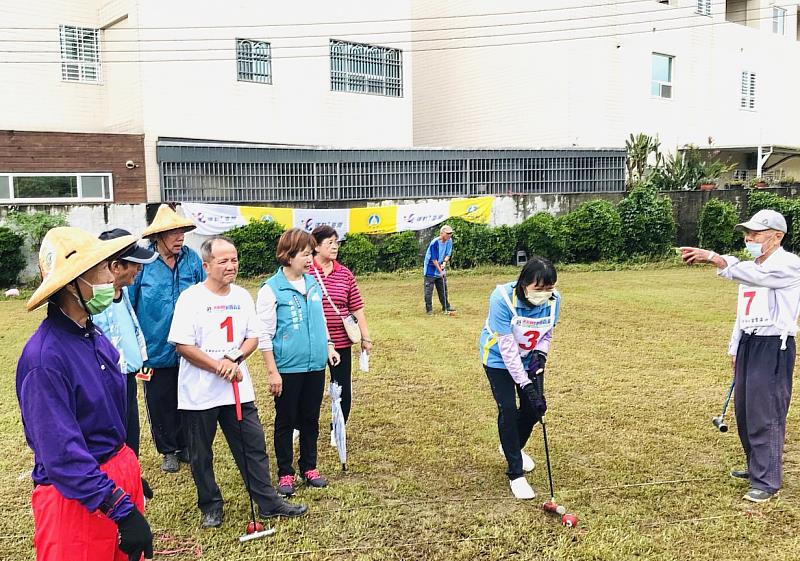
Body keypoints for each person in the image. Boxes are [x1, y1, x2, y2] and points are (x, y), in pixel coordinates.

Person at [17, 226, 153, 561]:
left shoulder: (93, 336)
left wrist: (129, 472)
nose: (112, 275)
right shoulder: (44, 359)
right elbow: (62, 454)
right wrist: (118, 505)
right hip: (77, 497)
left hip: (113, 477)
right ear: (73, 283)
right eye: (104, 268)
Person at [168, 236, 307, 528]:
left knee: (253, 447)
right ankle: (210, 505)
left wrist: (234, 359)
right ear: (206, 265)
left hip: (237, 391)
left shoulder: (242, 296)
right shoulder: (191, 298)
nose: (231, 266)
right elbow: (182, 345)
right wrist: (219, 366)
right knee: (200, 454)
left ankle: (268, 502)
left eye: (234, 260)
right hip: (199, 394)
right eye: (223, 261)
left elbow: (253, 336)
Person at [681, 209, 800, 503]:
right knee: (745, 411)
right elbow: (743, 311)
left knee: (766, 411)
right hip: (750, 342)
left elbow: (755, 275)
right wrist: (735, 346)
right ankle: (755, 466)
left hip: (774, 345)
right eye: (747, 234)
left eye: (756, 234)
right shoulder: (752, 267)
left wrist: (716, 258)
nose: (749, 239)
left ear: (777, 236)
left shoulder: (788, 264)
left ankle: (767, 479)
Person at [256, 228, 341, 497]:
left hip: (315, 365)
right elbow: (264, 335)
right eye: (305, 254)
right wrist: (272, 372)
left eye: (310, 253)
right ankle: (285, 472)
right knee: (285, 420)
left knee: (310, 418)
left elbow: (321, 320)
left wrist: (328, 346)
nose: (309, 259)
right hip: (287, 369)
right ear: (288, 256)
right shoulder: (271, 290)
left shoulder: (313, 283)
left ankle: (309, 467)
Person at [129, 204, 205, 473]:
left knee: (188, 396)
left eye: (182, 231)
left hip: (189, 346)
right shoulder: (143, 263)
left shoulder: (193, 260)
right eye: (173, 232)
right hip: (154, 348)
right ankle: (168, 449)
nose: (180, 237)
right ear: (158, 236)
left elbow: (205, 294)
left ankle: (186, 445)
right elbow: (130, 304)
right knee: (159, 400)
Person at [478, 257, 561, 499]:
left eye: (549, 288)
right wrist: (525, 384)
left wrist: (540, 356)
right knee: (508, 408)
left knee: (534, 411)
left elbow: (546, 334)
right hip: (498, 359)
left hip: (527, 359)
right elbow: (507, 348)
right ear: (524, 284)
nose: (544, 294)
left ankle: (511, 447)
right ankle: (515, 473)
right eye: (539, 289)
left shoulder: (555, 301)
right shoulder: (502, 298)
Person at [92, 229, 158, 457]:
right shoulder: (94, 303)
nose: (138, 269)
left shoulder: (123, 292)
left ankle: (130, 475)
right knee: (113, 439)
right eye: (134, 264)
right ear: (115, 266)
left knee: (130, 434)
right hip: (106, 380)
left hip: (127, 376)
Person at [310, 225, 373, 445]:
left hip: (342, 340)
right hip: (313, 342)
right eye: (329, 242)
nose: (335, 246)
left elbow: (356, 306)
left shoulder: (344, 273)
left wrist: (365, 337)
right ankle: (301, 425)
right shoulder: (306, 272)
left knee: (343, 387)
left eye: (336, 242)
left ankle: (337, 428)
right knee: (311, 389)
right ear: (316, 246)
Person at [423, 224, 456, 315]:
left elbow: (448, 254)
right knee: (429, 291)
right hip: (430, 268)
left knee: (443, 289)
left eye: (450, 233)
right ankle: (429, 310)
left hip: (440, 265)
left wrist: (444, 263)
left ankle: (446, 307)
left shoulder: (449, 241)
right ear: (442, 233)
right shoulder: (435, 243)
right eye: (448, 233)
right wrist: (440, 271)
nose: (450, 235)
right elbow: (433, 259)